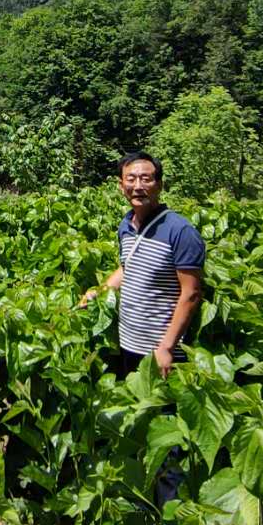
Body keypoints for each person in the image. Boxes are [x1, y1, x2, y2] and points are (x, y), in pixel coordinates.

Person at [81, 151, 204, 378]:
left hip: (161, 349)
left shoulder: (181, 231)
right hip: (128, 342)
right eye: (131, 179)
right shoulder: (126, 226)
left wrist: (166, 347)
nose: (138, 186)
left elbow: (191, 293)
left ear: (159, 185)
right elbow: (128, 268)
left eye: (146, 179)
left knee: (161, 410)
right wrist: (100, 291)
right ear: (121, 185)